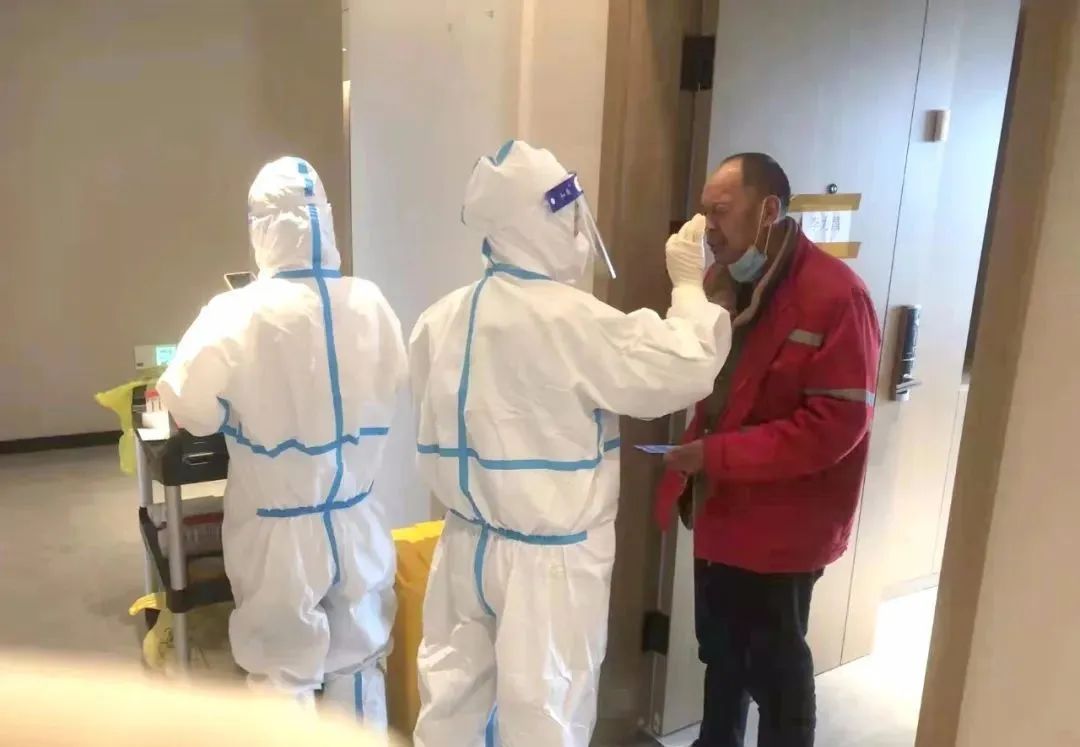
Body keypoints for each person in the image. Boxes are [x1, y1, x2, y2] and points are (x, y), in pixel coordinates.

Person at [409, 140, 732, 747]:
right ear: (544, 219)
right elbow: (686, 367)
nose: (580, 228)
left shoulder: (440, 317)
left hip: (464, 548)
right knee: (546, 719)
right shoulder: (573, 321)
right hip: (547, 564)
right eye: (569, 213)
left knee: (450, 711)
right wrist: (689, 288)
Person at [158, 156, 407, 730]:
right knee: (360, 661)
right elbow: (394, 380)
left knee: (279, 674)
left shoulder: (234, 313)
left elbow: (190, 408)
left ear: (262, 229)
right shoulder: (370, 302)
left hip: (277, 528)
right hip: (357, 518)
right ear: (326, 220)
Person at [654, 153, 882, 747]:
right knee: (721, 655)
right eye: (704, 213)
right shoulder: (722, 284)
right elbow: (713, 391)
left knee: (776, 673)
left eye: (720, 212)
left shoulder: (836, 297)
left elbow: (835, 426)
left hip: (783, 528)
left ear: (769, 210)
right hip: (721, 510)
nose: (707, 228)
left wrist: (715, 456)